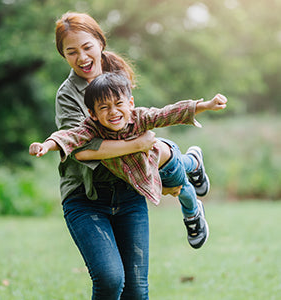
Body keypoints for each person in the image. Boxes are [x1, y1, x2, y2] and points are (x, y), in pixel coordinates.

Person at [30, 11, 213, 299]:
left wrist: (198, 107)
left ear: (100, 43)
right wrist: (138, 145)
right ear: (63, 55)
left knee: (137, 290)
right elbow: (81, 149)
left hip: (128, 191)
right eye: (71, 52)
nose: (81, 57)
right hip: (87, 197)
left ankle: (190, 170)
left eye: (87, 47)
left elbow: (154, 115)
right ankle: (190, 170)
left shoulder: (117, 75)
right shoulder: (68, 95)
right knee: (110, 279)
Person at [30, 72, 227, 249]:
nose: (113, 112)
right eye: (104, 107)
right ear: (92, 113)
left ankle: (193, 213)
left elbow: (168, 113)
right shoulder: (91, 129)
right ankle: (194, 161)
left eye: (118, 104)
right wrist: (46, 145)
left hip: (163, 162)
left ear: (130, 103)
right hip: (148, 167)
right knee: (184, 172)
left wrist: (205, 105)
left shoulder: (140, 117)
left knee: (182, 188)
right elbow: (69, 136)